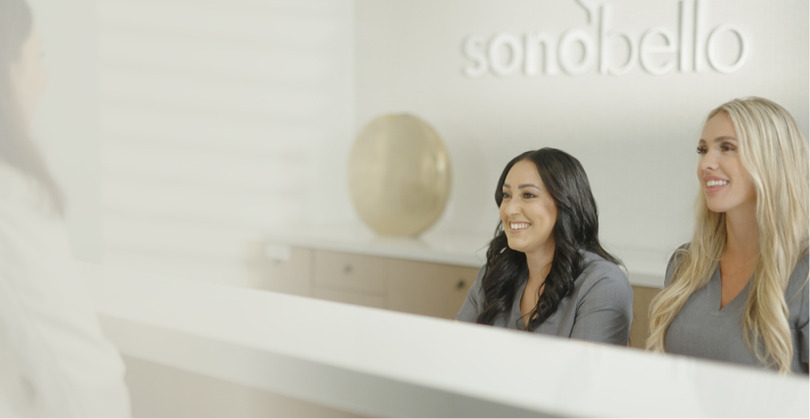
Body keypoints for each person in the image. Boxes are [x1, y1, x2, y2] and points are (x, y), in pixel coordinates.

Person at [0, 0, 132, 415]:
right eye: (37, 58)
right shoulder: (11, 198)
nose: (44, 78)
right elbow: (82, 381)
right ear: (9, 68)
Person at [647, 97, 809, 374]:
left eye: (727, 148)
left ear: (772, 158)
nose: (706, 164)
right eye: (703, 150)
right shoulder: (685, 264)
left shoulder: (803, 273)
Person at [456, 148, 633, 345]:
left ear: (565, 202)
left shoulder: (602, 283)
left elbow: (585, 374)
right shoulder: (493, 275)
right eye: (506, 195)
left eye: (528, 195)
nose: (510, 209)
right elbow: (456, 351)